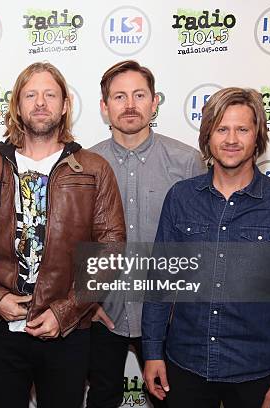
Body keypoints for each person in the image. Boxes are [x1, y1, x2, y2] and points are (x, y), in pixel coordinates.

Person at [142, 87, 270, 408]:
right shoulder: (181, 197)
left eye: (242, 129)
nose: (231, 139)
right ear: (207, 136)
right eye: (222, 129)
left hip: (259, 373)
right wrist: (152, 351)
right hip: (185, 366)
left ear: (258, 136)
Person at [0, 62, 126, 408]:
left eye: (50, 94)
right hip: (1, 329)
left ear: (65, 105)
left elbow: (110, 250)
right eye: (31, 94)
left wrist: (65, 311)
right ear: (17, 105)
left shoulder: (93, 169)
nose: (41, 102)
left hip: (67, 332)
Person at [88, 60, 205, 408]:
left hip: (169, 317)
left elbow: (201, 246)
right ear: (104, 107)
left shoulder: (187, 163)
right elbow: (70, 240)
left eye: (139, 95)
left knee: (175, 401)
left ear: (155, 102)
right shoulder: (84, 165)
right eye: (119, 96)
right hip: (103, 315)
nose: (129, 105)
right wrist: (84, 303)